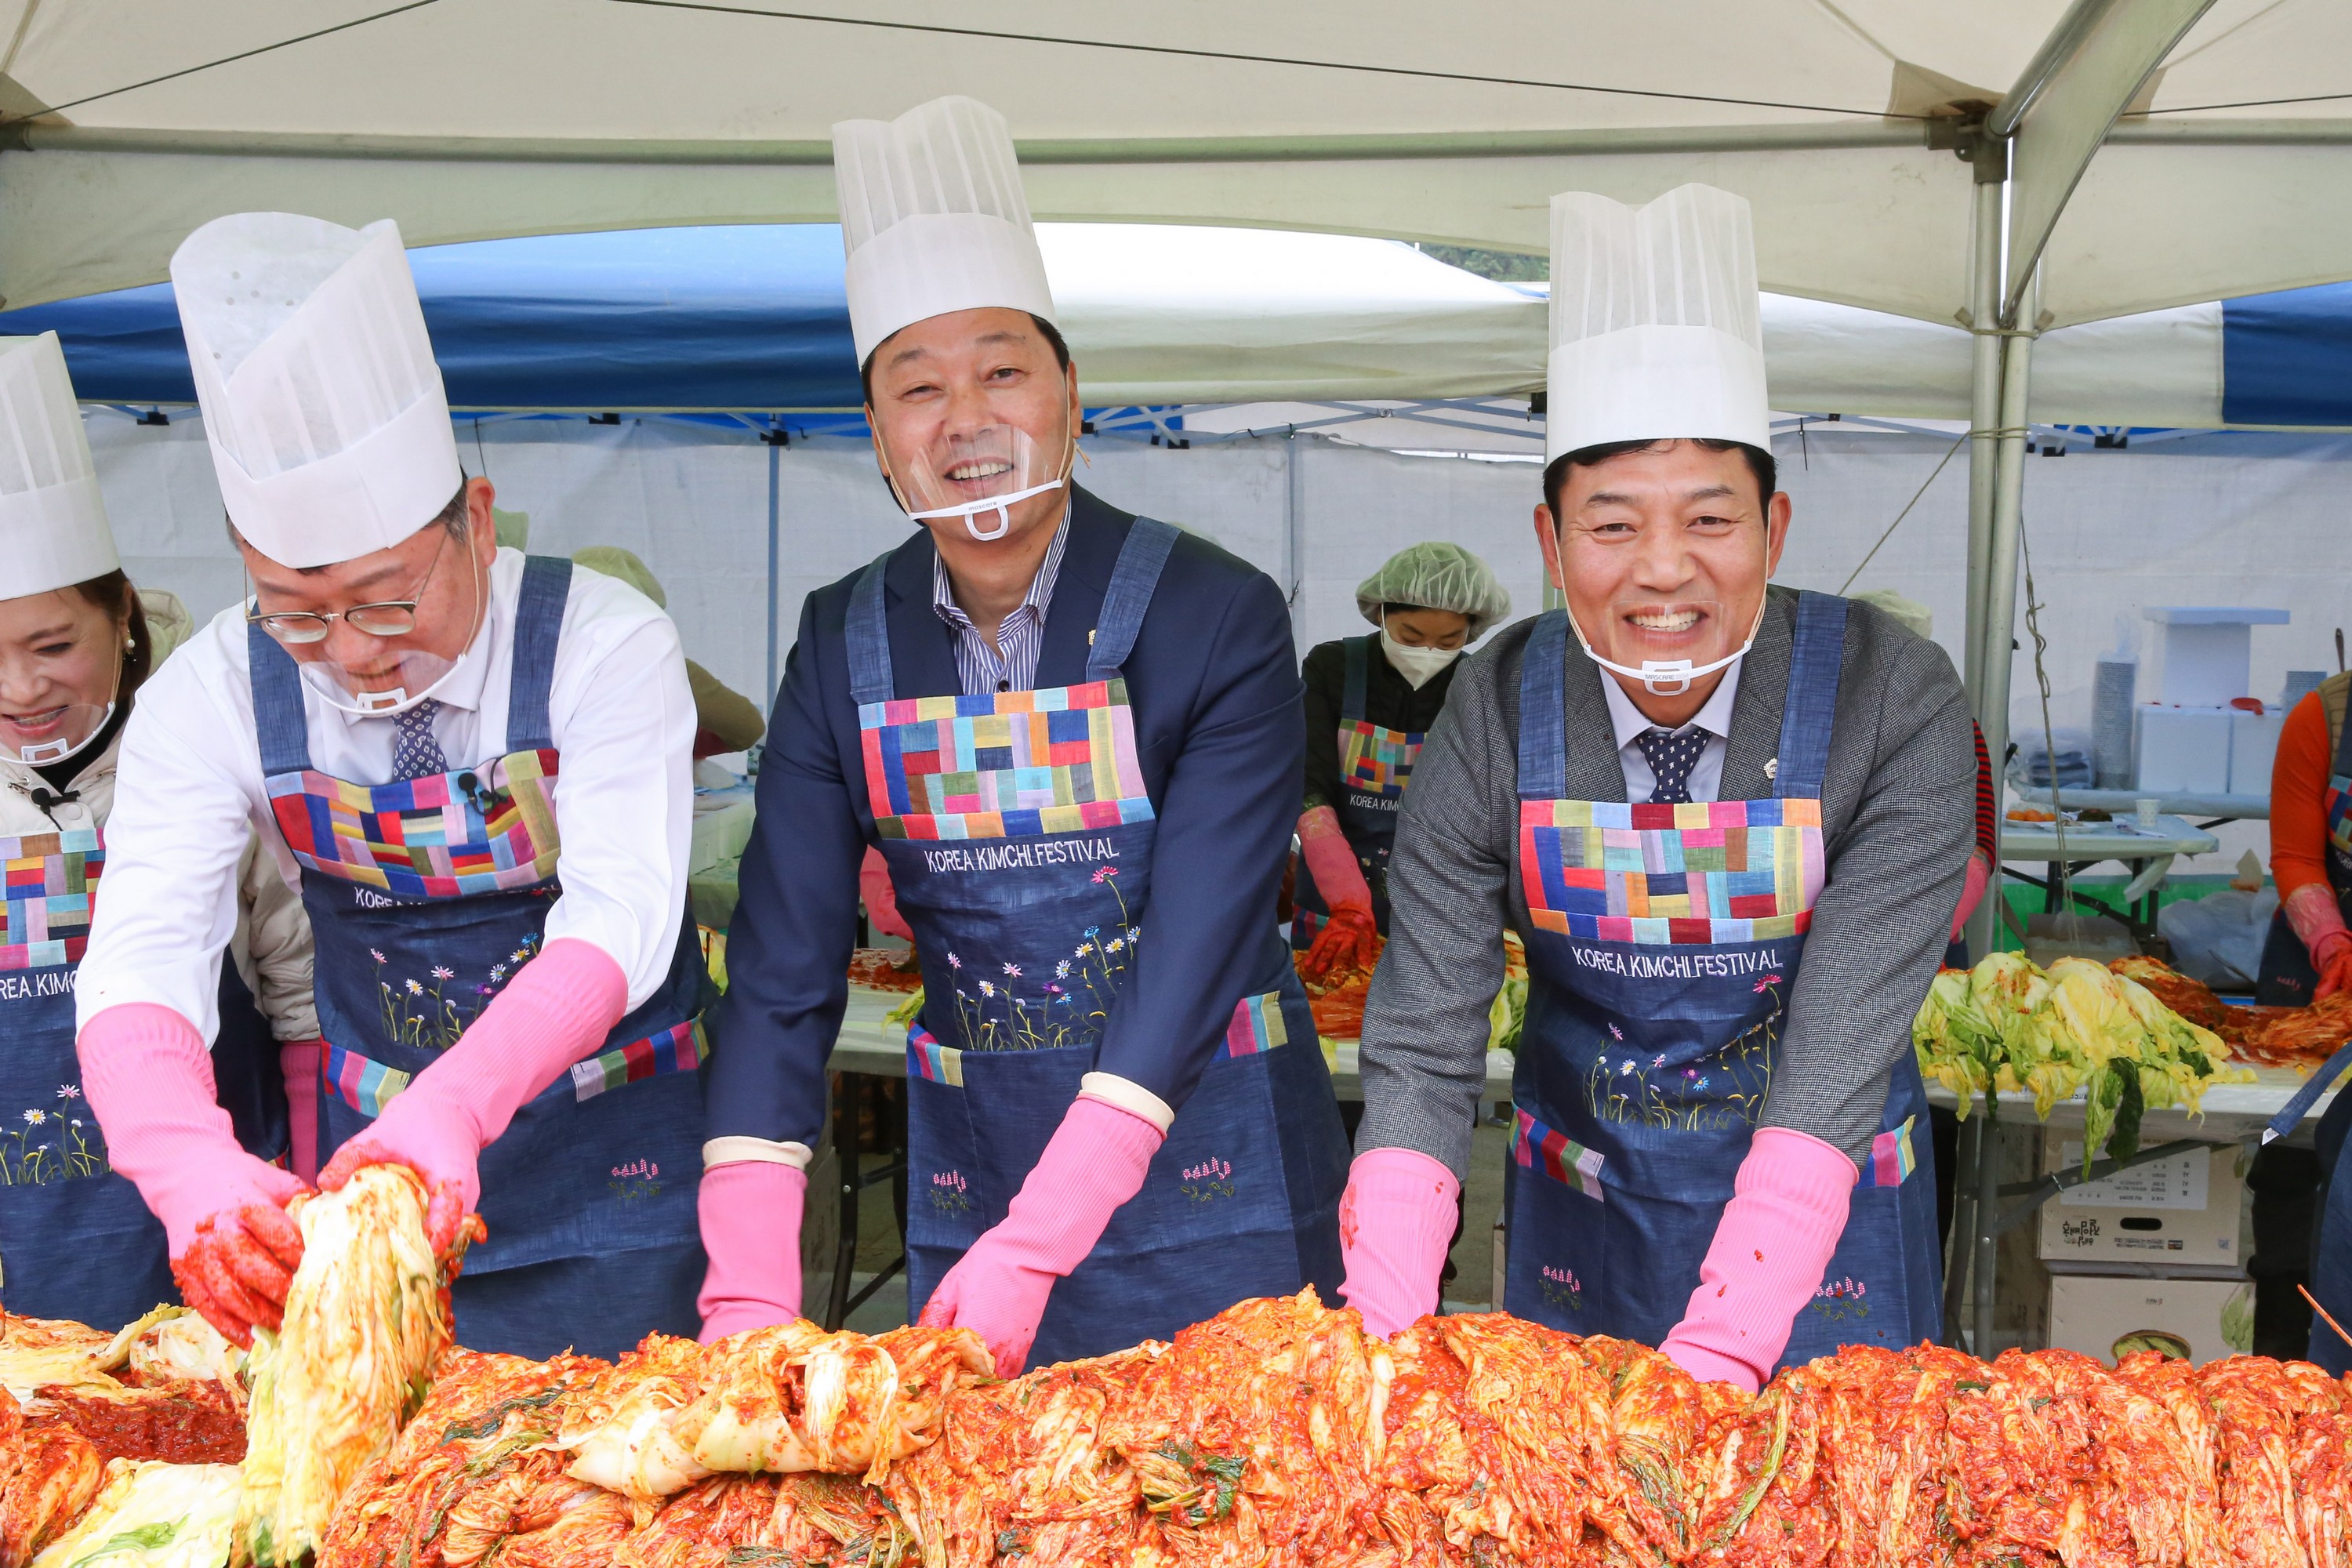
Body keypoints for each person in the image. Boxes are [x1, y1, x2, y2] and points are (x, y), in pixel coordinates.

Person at [698, 96, 1348, 1375]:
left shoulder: (1215, 615)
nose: (968, 420)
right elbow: (780, 969)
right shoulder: (843, 641)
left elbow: (1199, 945)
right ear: (879, 440)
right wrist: (747, 1289)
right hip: (982, 1170)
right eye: (918, 388)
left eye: (1003, 371)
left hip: (1216, 1186)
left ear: (1069, 398)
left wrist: (1045, 1238)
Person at [1338, 185, 1974, 1390]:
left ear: (1775, 529)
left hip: (1822, 1222)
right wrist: (1383, 1323)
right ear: (1551, 540)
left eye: (1711, 519)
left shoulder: (1893, 696)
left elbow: (1842, 1038)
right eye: (1614, 525)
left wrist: (1728, 1347)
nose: (1664, 571)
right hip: (1591, 1208)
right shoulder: (1496, 703)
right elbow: (1424, 1029)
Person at [75, 214, 706, 1359]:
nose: (356, 651)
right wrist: (186, 1165)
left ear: (473, 518)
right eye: (298, 613)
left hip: (617, 1165)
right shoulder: (209, 688)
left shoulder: (602, 642)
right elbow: (143, 949)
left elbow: (623, 915)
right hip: (379, 1192)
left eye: (385, 599)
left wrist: (458, 1107)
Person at [0, 332, 318, 1327]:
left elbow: (302, 1001)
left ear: (124, 613)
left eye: (54, 645)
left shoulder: (209, 750)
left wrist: (309, 1198)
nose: (21, 690)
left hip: (222, 1231)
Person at [1294, 544, 1510, 982]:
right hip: (1333, 887)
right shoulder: (1332, 668)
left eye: (1448, 641)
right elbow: (1306, 780)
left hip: (1439, 897)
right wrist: (1348, 901)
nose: (1428, 651)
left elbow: (1492, 807)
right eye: (1411, 637)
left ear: (1471, 632)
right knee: (1330, 1008)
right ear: (1381, 613)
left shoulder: (1479, 685)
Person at [1849, 590, 1996, 965]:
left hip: (1931, 943)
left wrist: (1925, 926)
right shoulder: (1821, 734)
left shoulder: (1957, 728)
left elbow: (1982, 841)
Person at [571, 547, 767, 760]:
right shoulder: (665, 666)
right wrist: (677, 746)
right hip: (634, 788)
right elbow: (747, 727)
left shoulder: (544, 662)